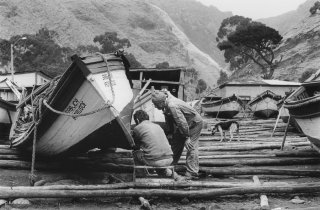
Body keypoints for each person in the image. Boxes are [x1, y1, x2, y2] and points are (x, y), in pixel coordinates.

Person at [152, 90, 203, 179]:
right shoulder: (165, 103)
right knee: (175, 143)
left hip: (194, 123)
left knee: (191, 146)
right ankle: (170, 167)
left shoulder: (172, 105)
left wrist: (187, 137)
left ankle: (192, 172)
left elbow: (181, 122)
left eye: (156, 105)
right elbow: (170, 120)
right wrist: (170, 132)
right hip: (185, 124)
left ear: (161, 102)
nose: (155, 107)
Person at [132, 110, 175, 177]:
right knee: (153, 153)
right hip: (169, 158)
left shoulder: (137, 128)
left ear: (137, 120)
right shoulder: (158, 126)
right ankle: (165, 174)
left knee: (136, 153)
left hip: (157, 161)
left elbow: (136, 147)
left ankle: (141, 177)